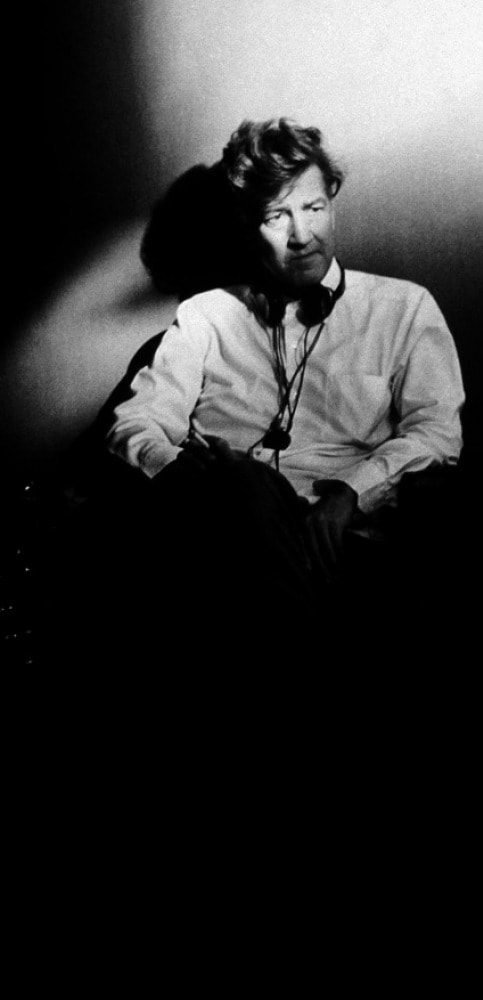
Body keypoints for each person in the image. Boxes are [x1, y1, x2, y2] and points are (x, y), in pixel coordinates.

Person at [99, 118, 464, 658]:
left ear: (332, 200)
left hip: (339, 535)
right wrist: (177, 470)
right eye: (277, 217)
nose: (301, 236)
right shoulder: (204, 316)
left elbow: (437, 432)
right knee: (238, 480)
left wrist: (352, 493)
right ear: (248, 224)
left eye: (314, 209)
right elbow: (135, 423)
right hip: (224, 533)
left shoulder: (404, 308)